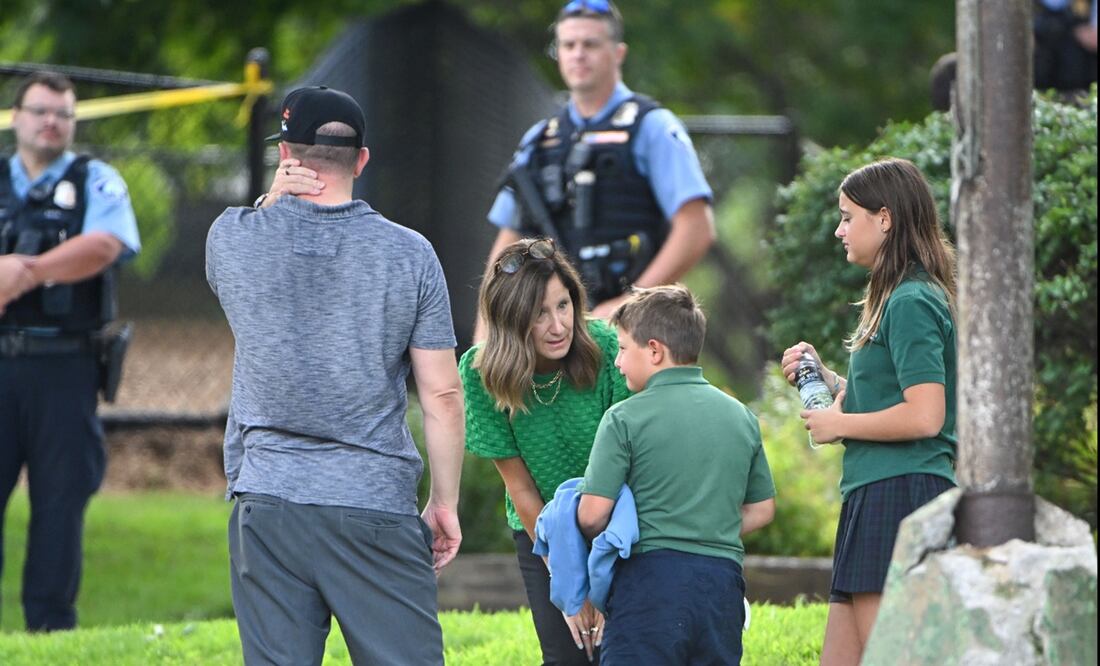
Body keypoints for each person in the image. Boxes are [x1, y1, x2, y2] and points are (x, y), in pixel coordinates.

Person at [205, 85, 464, 665]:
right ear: (361, 159)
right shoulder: (411, 255)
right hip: (374, 502)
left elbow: (248, 240)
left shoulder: (231, 236)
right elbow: (443, 394)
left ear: (285, 155)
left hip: (267, 499)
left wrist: (271, 199)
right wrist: (443, 502)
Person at [780, 158, 958, 666]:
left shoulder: (911, 300)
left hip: (901, 492)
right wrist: (828, 381)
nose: (839, 230)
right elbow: (890, 395)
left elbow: (925, 415)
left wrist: (838, 424)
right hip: (873, 492)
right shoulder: (897, 296)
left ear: (884, 219)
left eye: (846, 217)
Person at [475, 0, 715, 335]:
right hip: (555, 330)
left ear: (618, 53)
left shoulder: (652, 127)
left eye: (590, 44)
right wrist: (485, 342)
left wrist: (629, 303)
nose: (578, 54)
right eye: (568, 45)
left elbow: (696, 227)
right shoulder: (539, 140)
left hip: (638, 333)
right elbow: (507, 247)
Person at [0, 71, 140, 631]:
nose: (52, 123)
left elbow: (106, 245)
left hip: (64, 367)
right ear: (16, 117)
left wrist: (26, 271)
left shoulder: (95, 181)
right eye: (40, 111)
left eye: (63, 114)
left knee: (60, 504)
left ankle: (50, 632)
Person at [577, 285, 776, 665]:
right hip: (721, 584)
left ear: (654, 350)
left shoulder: (624, 418)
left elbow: (592, 515)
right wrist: (706, 527)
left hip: (649, 584)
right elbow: (762, 509)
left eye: (622, 348)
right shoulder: (741, 417)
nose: (617, 362)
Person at [461, 236, 630, 664]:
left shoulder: (608, 347)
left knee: (621, 651)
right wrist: (569, 575)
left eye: (563, 305)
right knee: (568, 655)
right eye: (539, 314)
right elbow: (519, 487)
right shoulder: (481, 374)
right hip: (543, 529)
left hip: (617, 517)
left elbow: (633, 463)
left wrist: (600, 572)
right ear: (512, 319)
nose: (558, 326)